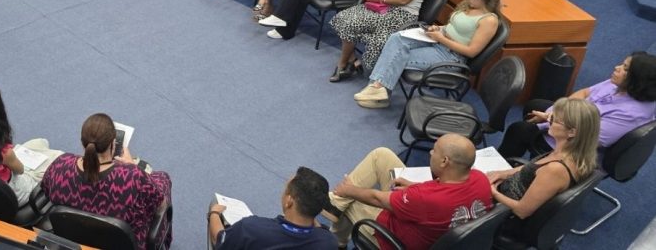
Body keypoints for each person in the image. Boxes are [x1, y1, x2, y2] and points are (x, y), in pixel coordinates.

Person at [352, 0, 501, 109]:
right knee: (396, 38)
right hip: (439, 42)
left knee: (397, 54)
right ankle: (379, 89)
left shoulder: (489, 20)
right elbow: (455, 27)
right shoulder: (468, 6)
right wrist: (440, 29)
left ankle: (377, 88)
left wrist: (442, 38)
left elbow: (471, 51)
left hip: (451, 57)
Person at [323, 134, 493, 249]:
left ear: (444, 161)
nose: (430, 152)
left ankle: (337, 239)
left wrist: (348, 190)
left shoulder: (424, 198)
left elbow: (376, 198)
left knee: (351, 198)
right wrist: (412, 185)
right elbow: (439, 190)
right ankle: (335, 205)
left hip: (390, 237)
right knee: (381, 155)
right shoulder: (481, 179)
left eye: (435, 149)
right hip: (427, 222)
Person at [41, 113, 172, 250]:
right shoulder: (133, 178)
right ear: (113, 144)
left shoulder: (60, 165)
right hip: (126, 244)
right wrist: (133, 166)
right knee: (163, 178)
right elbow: (160, 204)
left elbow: (45, 189)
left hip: (74, 240)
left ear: (82, 143)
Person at [497, 52, 656, 159]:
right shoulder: (620, 84)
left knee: (519, 130)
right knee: (534, 105)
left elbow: (588, 138)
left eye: (625, 69)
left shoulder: (632, 113)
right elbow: (584, 93)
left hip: (576, 146)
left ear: (637, 79)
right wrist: (558, 113)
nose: (617, 67)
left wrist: (551, 118)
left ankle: (502, 175)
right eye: (622, 64)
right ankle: (534, 160)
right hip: (571, 120)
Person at [490, 98, 600, 237]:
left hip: (506, 217)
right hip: (506, 192)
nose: (548, 121)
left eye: (554, 119)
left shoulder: (555, 170)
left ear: (572, 132)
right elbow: (534, 168)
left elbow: (521, 211)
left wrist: (493, 192)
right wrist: (502, 173)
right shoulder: (569, 152)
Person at [208, 166, 338, 250]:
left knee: (215, 204)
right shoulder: (329, 241)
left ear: (289, 201)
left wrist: (213, 213)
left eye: (286, 189)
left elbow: (219, 239)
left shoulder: (251, 228)